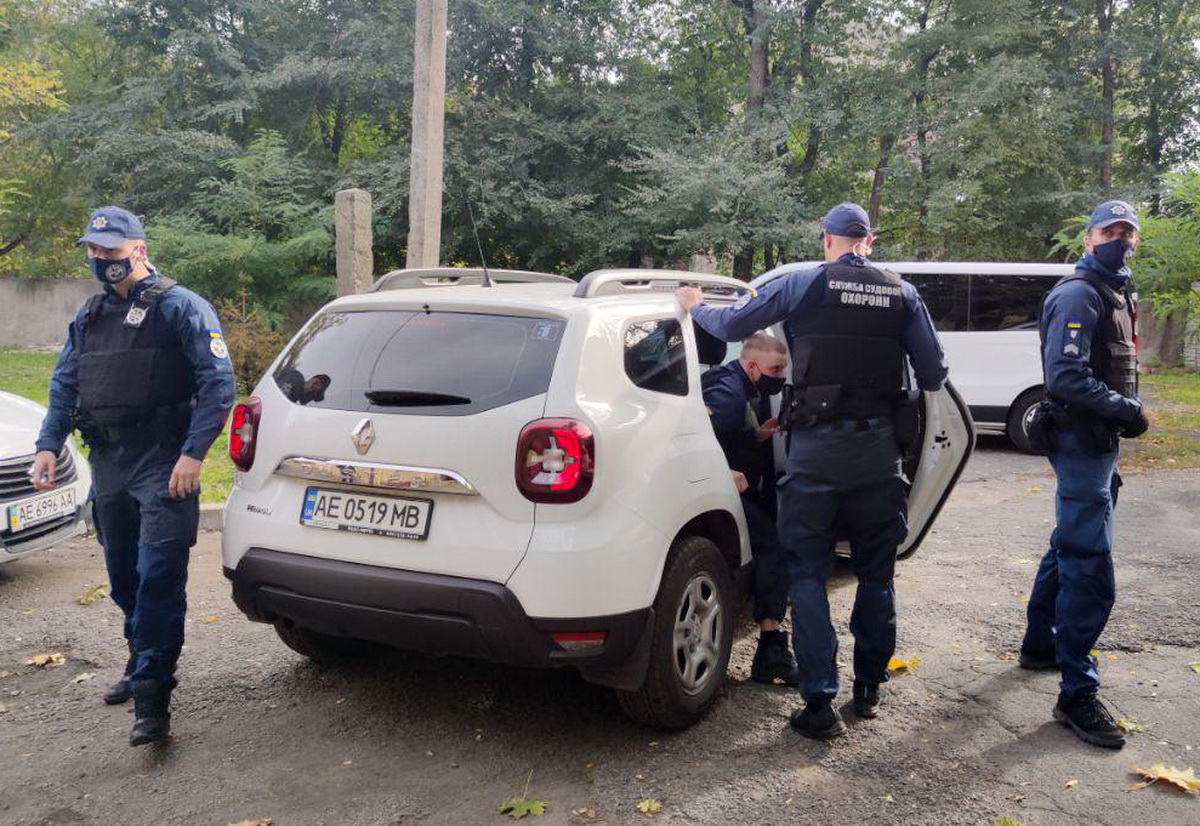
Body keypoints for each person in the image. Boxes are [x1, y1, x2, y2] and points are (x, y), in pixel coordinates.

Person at [676, 202, 947, 739]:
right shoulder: (903, 293)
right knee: (876, 575)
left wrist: (695, 305)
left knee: (806, 575)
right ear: (869, 242)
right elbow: (934, 373)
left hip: (815, 455)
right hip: (878, 456)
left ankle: (820, 704)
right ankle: (868, 690)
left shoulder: (802, 284)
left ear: (827, 239)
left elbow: (731, 324)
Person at [30, 206, 236, 746]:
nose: (102, 259)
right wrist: (48, 444)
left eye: (112, 250)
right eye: (94, 250)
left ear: (139, 249)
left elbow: (218, 385)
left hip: (164, 461)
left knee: (159, 576)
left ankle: (152, 697)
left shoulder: (182, 307)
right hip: (110, 461)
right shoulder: (91, 314)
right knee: (124, 576)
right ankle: (139, 656)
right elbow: (66, 381)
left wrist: (194, 454)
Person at [1018, 200, 1149, 750]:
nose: (1121, 239)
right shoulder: (1079, 293)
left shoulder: (1117, 293)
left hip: (1098, 445)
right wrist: (1127, 410)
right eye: (1110, 231)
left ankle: (1040, 647)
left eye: (1128, 232)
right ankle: (1077, 692)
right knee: (1088, 562)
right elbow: (1067, 377)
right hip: (1081, 441)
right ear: (1089, 238)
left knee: (1069, 543)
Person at [701, 333, 798, 686]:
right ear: (753, 365)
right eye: (776, 369)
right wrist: (723, 471)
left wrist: (755, 435)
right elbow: (693, 432)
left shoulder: (735, 381)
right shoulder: (729, 392)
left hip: (719, 488)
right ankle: (770, 650)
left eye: (784, 369)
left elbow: (727, 433)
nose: (781, 376)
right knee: (773, 546)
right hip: (714, 487)